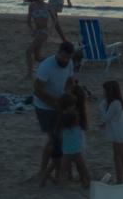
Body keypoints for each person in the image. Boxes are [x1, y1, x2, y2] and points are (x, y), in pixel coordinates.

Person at [32, 43, 76, 183]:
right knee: (52, 140)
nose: (65, 60)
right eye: (63, 57)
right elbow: (37, 90)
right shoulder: (46, 66)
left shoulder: (69, 64)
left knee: (60, 140)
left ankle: (58, 172)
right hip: (44, 107)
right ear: (58, 53)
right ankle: (43, 171)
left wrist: (67, 97)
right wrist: (54, 102)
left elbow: (70, 82)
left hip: (60, 105)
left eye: (68, 58)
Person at [53, 80, 91, 187]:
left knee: (71, 169)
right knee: (81, 168)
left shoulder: (64, 119)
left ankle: (82, 181)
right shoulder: (72, 117)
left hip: (68, 150)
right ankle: (85, 182)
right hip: (74, 150)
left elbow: (58, 132)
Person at [99, 80, 123, 184]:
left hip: (119, 133)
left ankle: (120, 180)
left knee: (118, 157)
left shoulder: (115, 103)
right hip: (120, 132)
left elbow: (106, 117)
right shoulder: (117, 102)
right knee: (122, 156)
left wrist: (101, 106)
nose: (102, 93)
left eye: (104, 91)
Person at [23, 0, 52, 67]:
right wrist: (32, 30)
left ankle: (30, 74)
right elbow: (28, 21)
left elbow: (54, 19)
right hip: (37, 32)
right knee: (38, 58)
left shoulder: (47, 6)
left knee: (28, 51)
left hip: (44, 32)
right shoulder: (32, 6)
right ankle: (55, 61)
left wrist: (51, 29)